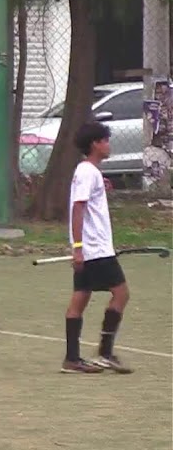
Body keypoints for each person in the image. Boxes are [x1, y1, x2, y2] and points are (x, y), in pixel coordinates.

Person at [63, 122, 132, 374]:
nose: (108, 144)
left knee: (80, 298)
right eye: (105, 140)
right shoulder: (87, 172)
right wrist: (79, 247)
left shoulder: (89, 172)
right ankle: (105, 353)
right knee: (121, 294)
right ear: (95, 144)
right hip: (95, 250)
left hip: (95, 248)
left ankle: (72, 359)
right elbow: (77, 208)